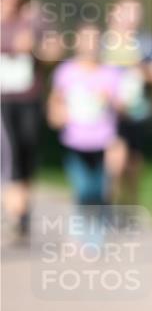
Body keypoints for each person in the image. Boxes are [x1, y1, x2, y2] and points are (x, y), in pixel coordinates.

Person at [101, 0, 152, 205]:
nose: (130, 18)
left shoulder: (147, 43)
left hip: (137, 111)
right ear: (112, 13)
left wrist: (143, 70)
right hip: (106, 113)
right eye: (125, 12)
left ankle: (128, 201)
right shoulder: (100, 43)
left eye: (135, 13)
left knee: (133, 163)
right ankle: (108, 202)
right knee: (116, 157)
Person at [47, 23, 125, 210]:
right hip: (75, 141)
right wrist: (57, 115)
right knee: (83, 191)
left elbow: (123, 109)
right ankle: (86, 233)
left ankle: (98, 229)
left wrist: (110, 99)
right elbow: (54, 104)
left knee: (102, 192)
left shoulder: (111, 72)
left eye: (94, 39)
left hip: (104, 141)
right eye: (85, 39)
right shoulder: (65, 72)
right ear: (77, 43)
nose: (90, 45)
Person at [0, 0, 48, 240]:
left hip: (29, 97)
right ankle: (14, 212)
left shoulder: (33, 20)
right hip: (3, 100)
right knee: (10, 152)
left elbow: (54, 52)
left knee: (27, 151)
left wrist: (35, 46)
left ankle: (23, 211)